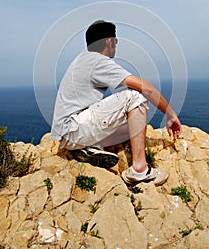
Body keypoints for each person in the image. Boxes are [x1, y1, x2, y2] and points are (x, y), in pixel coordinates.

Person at [51, 20, 181, 186]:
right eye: (116, 41)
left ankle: (89, 146)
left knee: (132, 128)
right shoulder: (97, 61)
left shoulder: (84, 59)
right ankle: (139, 171)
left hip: (70, 132)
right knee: (135, 96)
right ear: (108, 42)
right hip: (74, 129)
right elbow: (145, 88)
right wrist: (170, 115)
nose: (116, 45)